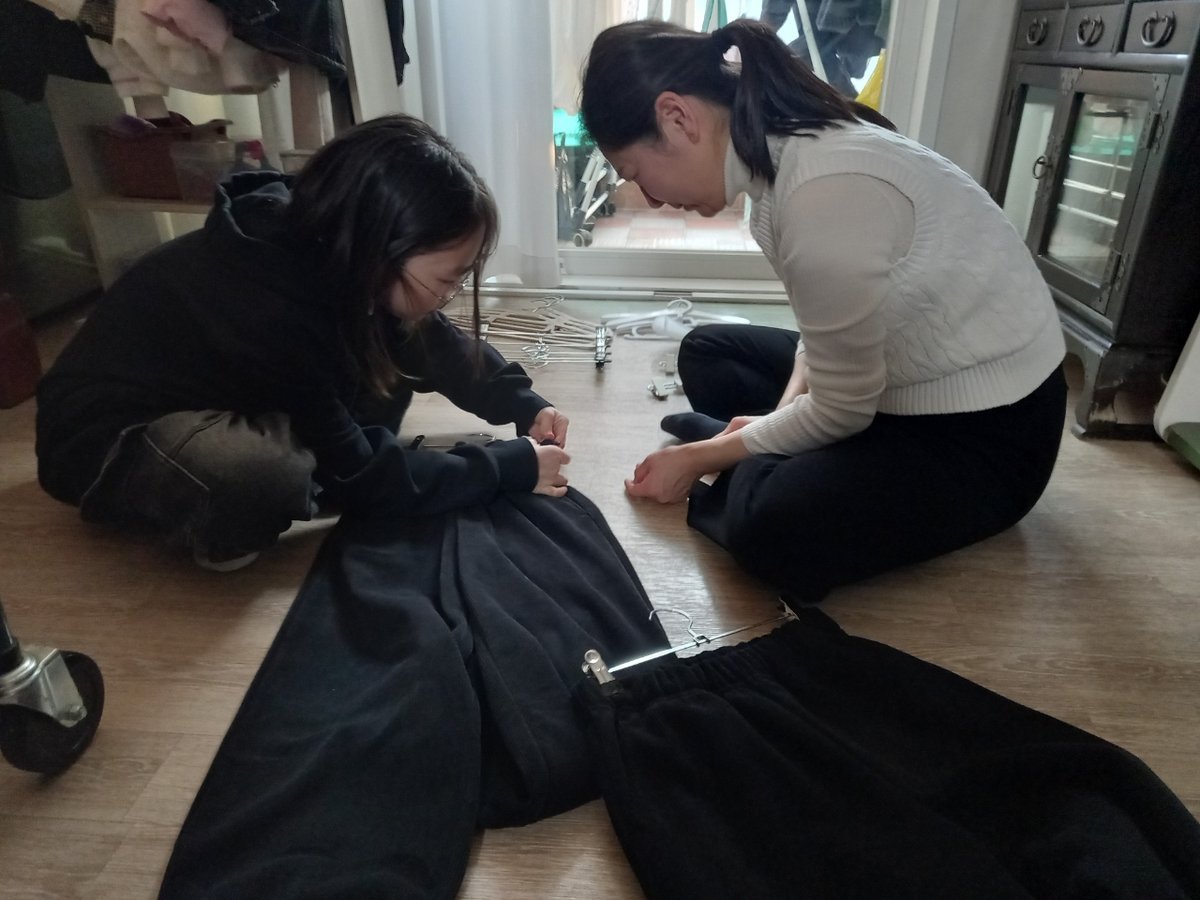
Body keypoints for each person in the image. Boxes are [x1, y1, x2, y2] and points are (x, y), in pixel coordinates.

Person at [579, 19, 1066, 602]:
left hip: (987, 431)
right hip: (891, 382)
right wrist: (780, 417)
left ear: (677, 117)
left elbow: (842, 410)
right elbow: (822, 333)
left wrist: (704, 455)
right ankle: (763, 459)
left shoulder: (822, 191)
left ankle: (753, 468)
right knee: (706, 351)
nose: (652, 198)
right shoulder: (780, 158)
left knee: (771, 530)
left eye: (637, 173)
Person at [36, 115, 571, 571]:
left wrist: (519, 401)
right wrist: (504, 469)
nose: (450, 296)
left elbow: (430, 341)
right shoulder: (274, 304)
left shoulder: (336, 244)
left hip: (208, 396)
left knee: (381, 371)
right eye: (448, 281)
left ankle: (318, 463)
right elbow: (361, 478)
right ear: (382, 250)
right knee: (263, 476)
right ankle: (219, 522)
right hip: (105, 443)